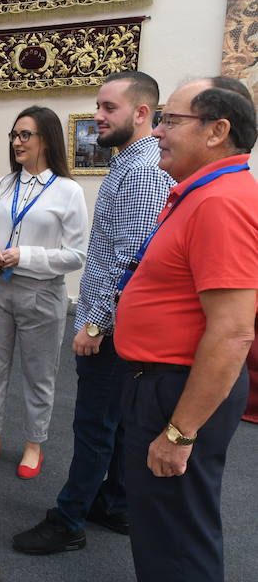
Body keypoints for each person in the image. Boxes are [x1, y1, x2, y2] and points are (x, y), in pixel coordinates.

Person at [13, 72, 174, 554]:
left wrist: (94, 322)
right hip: (119, 322)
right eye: (98, 106)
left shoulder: (144, 170)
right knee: (119, 420)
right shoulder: (131, 162)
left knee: (94, 425)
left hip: (110, 326)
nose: (97, 117)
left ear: (142, 113)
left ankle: (68, 521)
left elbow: (132, 256)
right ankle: (116, 503)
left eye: (109, 108)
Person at [114, 77, 258, 580]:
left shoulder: (220, 202)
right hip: (164, 384)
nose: (156, 132)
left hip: (177, 391)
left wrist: (179, 431)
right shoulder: (203, 193)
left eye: (171, 120)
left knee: (175, 541)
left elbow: (234, 332)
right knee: (165, 527)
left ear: (217, 131)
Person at [0, 106, 88, 478]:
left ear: (46, 140)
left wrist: (26, 255)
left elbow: (76, 256)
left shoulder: (68, 191)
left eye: (25, 135)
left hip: (41, 293)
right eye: (14, 135)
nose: (17, 142)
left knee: (39, 374)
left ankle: (33, 445)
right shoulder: (4, 184)